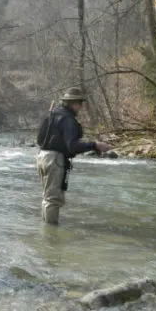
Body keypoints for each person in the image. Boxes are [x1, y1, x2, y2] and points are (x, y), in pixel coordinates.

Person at [36, 87, 113, 225]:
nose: (81, 107)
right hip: (54, 160)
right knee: (53, 200)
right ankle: (51, 236)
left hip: (42, 157)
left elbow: (39, 140)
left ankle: (46, 232)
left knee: (47, 198)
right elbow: (73, 146)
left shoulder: (51, 114)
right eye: (80, 103)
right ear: (73, 103)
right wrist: (95, 146)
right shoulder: (68, 119)